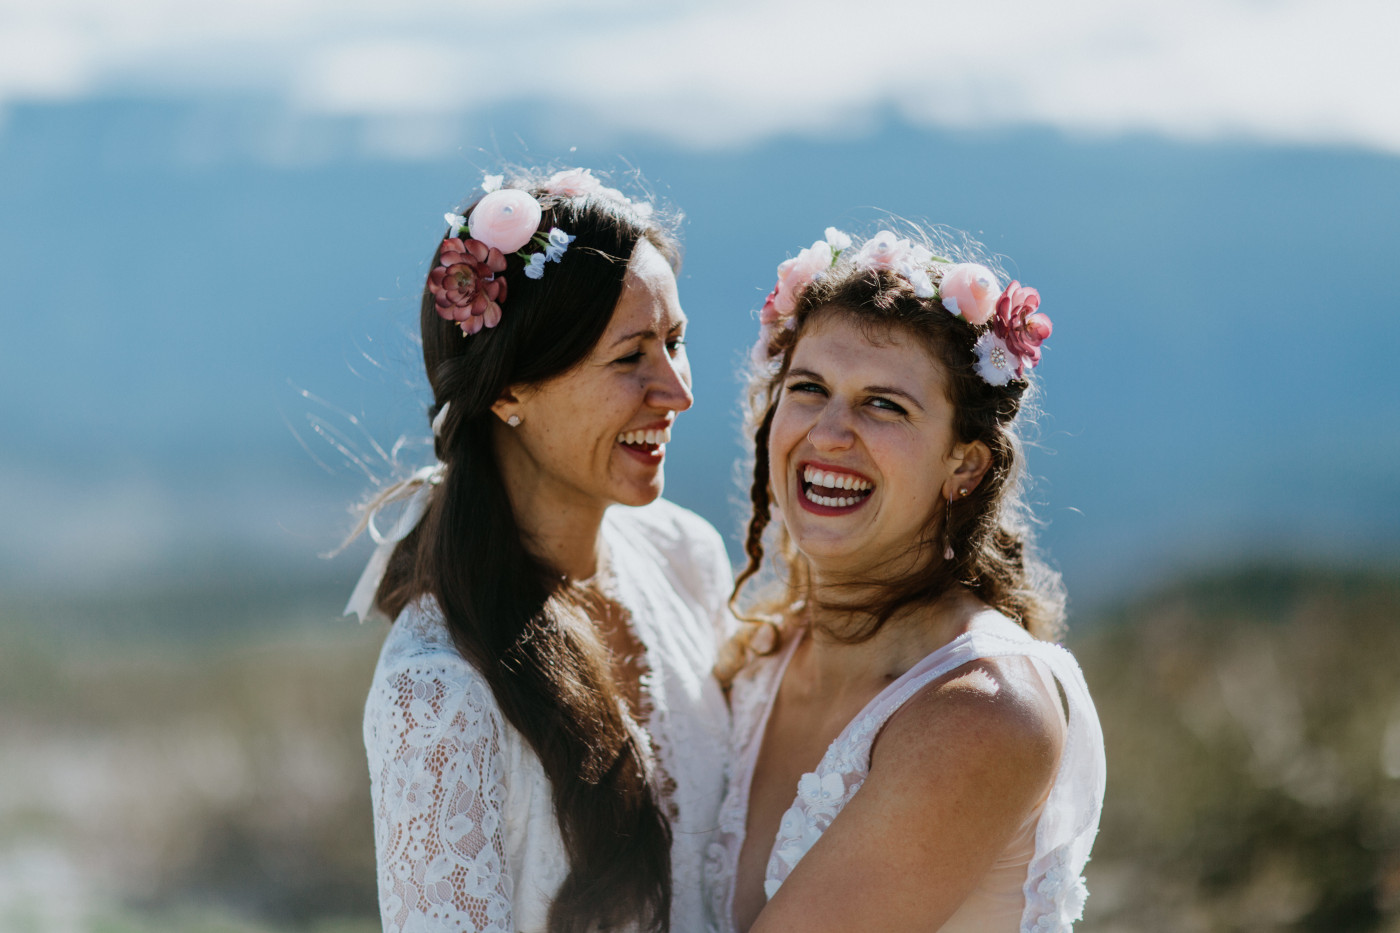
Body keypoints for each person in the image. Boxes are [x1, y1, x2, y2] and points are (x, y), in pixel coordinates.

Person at [350, 168, 732, 933]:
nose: (677, 390)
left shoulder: (688, 556)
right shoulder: (438, 693)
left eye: (675, 342)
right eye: (631, 358)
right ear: (508, 391)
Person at [704, 227, 1105, 932]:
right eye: (808, 388)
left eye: (883, 404)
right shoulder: (762, 656)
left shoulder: (981, 710)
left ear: (965, 466)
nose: (830, 432)